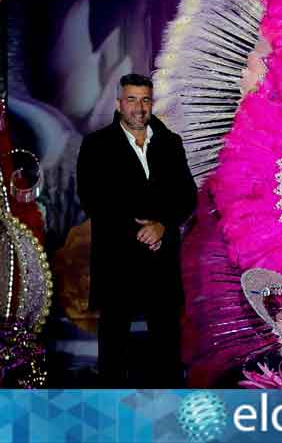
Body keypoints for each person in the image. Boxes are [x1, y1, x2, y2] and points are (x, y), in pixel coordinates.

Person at [77, 73, 197, 386]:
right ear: (119, 104)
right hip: (118, 262)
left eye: (145, 100)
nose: (139, 108)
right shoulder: (96, 146)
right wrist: (140, 233)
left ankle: (169, 420)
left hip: (162, 263)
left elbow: (187, 195)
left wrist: (163, 226)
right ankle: (111, 422)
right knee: (114, 351)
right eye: (131, 100)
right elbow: (93, 201)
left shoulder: (170, 142)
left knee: (167, 349)